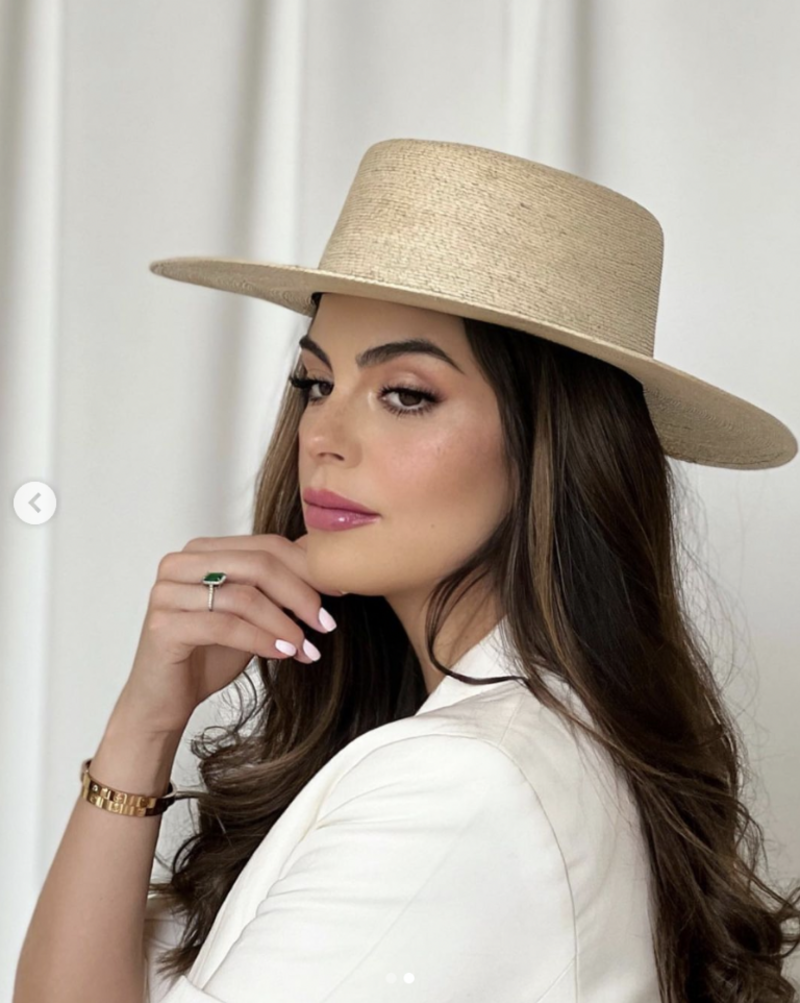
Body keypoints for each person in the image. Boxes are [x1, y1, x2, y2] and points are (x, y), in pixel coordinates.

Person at [15, 139, 800, 1003]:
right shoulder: (502, 745)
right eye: (315, 383)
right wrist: (144, 721)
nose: (323, 435)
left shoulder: (461, 784)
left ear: (551, 446)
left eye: (406, 393)